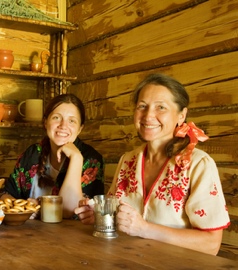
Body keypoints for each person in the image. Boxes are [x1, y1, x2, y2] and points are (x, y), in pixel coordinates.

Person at [74, 73, 230, 255]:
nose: (148, 115)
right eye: (142, 106)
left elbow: (211, 245)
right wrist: (98, 216)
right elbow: (120, 219)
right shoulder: (127, 161)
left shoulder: (198, 164)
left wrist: (145, 228)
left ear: (181, 115)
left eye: (161, 107)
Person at [0, 94, 104, 218]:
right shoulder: (33, 153)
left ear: (80, 129)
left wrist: (76, 158)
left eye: (71, 121)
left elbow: (68, 211)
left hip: (72, 236)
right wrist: (22, 206)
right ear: (45, 122)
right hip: (26, 234)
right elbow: (5, 193)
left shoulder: (91, 160)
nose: (63, 126)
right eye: (56, 118)